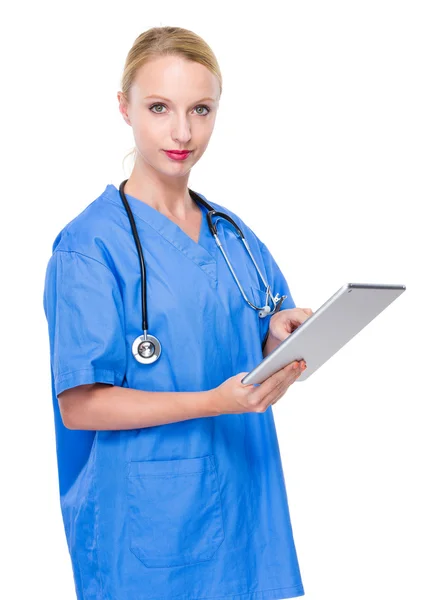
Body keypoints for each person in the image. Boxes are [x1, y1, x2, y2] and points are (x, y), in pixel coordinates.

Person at [42, 25, 312, 600]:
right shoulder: (89, 247)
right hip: (149, 533)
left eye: (201, 109)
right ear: (125, 108)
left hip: (245, 511)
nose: (183, 132)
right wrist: (215, 401)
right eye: (160, 108)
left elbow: (252, 339)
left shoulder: (232, 235)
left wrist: (278, 343)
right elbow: (81, 405)